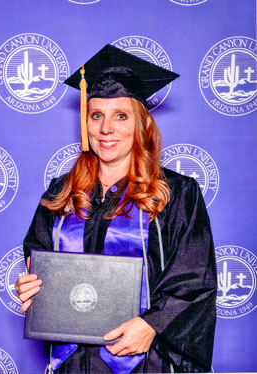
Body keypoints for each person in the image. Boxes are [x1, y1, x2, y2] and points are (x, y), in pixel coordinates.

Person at [15, 44, 217, 374]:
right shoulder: (61, 193)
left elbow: (195, 281)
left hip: (146, 361)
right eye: (96, 115)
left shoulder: (176, 193)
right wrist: (30, 287)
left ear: (142, 124)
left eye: (120, 116)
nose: (106, 129)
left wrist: (154, 325)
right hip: (73, 363)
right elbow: (37, 258)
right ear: (86, 122)